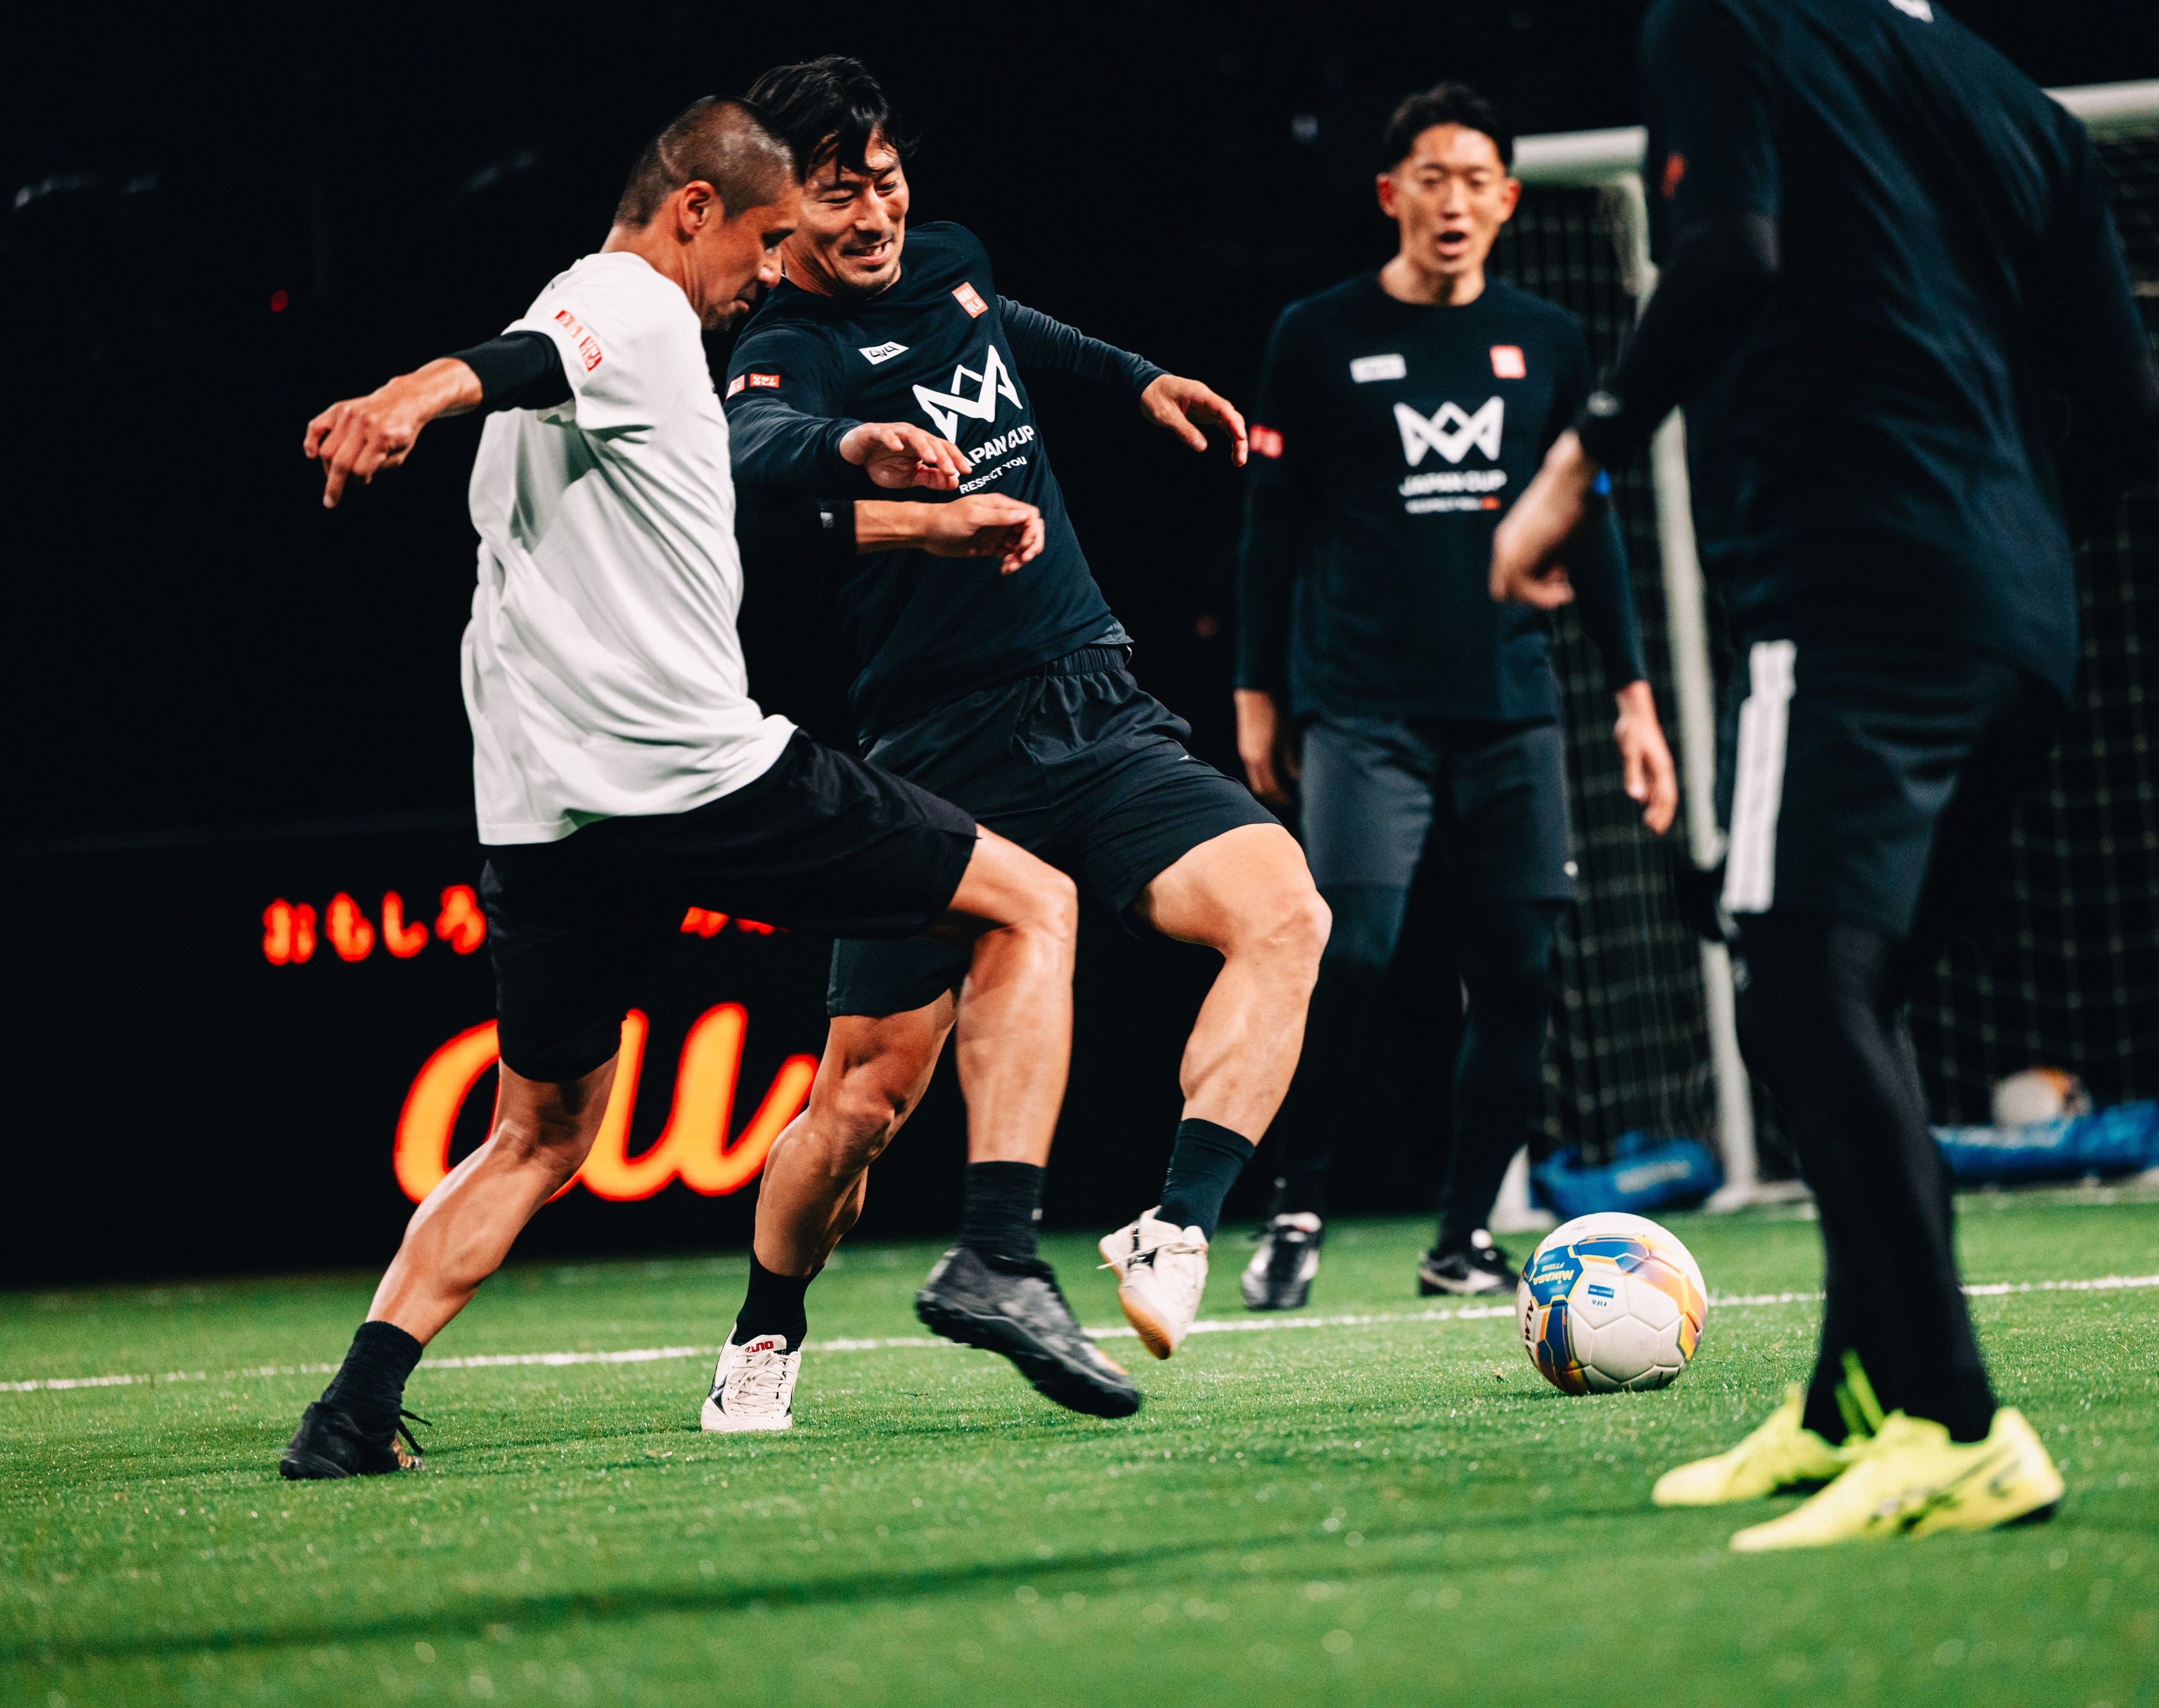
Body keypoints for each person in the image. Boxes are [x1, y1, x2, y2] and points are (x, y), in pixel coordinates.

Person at [282, 97, 1132, 1479]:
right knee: (1034, 903)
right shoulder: (628, 304)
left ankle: (352, 1410)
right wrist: (406, 397)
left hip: (547, 815)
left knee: (537, 1134)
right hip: (696, 773)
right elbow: (511, 365)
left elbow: (723, 512)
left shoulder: (617, 344)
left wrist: (920, 517)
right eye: (766, 237)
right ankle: (996, 1249)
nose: (772, 271)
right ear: (693, 210)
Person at [1493, 0, 2159, 1548]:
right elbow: (2129, 407)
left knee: (1796, 992)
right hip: (2021, 614)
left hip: (1852, 587)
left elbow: (1732, 255)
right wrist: (2011, 551)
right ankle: (1853, 1399)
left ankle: (1957, 1424)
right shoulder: (2024, 107)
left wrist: (1578, 459)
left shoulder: (1728, 23)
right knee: (1847, 998)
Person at [695, 57, 1330, 1428]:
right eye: (837, 193)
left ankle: (1175, 1225)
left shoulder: (950, 259)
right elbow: (751, 445)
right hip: (938, 753)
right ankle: (766, 1323)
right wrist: (856, 445)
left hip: (1093, 702)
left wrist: (1138, 378)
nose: (875, 214)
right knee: (865, 1100)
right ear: (780, 210)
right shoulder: (784, 338)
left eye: (884, 181)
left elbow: (1005, 322)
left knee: (1287, 913)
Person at [1231, 85, 1680, 1311]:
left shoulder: (1548, 340)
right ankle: (1297, 1207)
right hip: (1361, 708)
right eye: (1432, 177)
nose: (1455, 201)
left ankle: (1464, 1235)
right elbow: (1271, 527)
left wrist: (1634, 696)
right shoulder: (1316, 335)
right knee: (1356, 952)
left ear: (1508, 201)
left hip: (1510, 707)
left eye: (1478, 180)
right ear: (1392, 194)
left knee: (1521, 969)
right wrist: (1257, 692)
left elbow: (1590, 527)